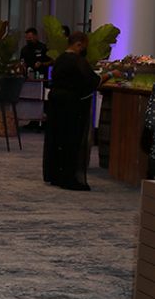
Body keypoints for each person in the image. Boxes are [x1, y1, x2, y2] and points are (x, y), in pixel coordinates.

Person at [43, 32, 119, 190]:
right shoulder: (77, 61)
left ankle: (55, 174)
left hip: (56, 102)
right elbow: (93, 81)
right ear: (79, 44)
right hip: (71, 105)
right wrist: (111, 74)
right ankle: (69, 177)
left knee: (57, 139)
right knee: (71, 140)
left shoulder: (60, 59)